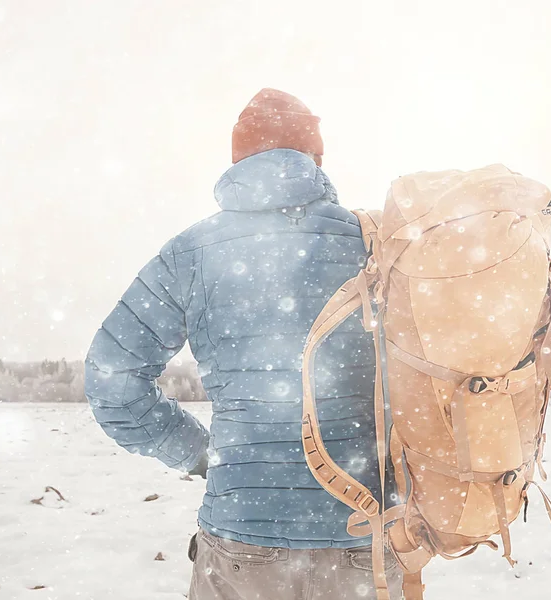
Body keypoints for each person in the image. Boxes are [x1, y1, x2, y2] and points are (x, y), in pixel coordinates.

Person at [84, 88, 402, 599]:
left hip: (240, 542)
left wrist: (204, 454)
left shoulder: (189, 253)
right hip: (365, 535)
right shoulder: (376, 244)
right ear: (316, 159)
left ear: (238, 161)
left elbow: (112, 381)